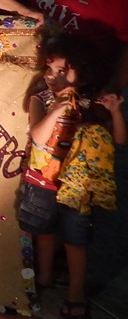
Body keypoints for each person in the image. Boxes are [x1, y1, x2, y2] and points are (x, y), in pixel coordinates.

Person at [18, 33, 125, 318]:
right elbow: (38, 137)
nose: (53, 76)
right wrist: (56, 110)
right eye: (49, 69)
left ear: (83, 70)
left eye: (62, 70)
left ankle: (76, 294)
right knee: (44, 233)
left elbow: (117, 141)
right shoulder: (40, 99)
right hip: (44, 180)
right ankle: (43, 278)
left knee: (75, 240)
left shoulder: (90, 105)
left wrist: (115, 112)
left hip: (78, 187)